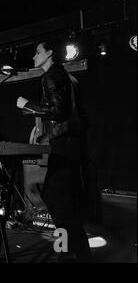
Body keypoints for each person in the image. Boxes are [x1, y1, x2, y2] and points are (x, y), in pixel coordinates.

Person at [16, 40, 92, 262]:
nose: (33, 57)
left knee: (59, 201)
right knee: (59, 199)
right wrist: (38, 124)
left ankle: (73, 252)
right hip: (71, 143)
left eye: (38, 52)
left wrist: (28, 105)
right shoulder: (65, 75)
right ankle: (70, 249)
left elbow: (58, 111)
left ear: (49, 53)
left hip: (65, 144)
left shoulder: (51, 75)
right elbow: (65, 111)